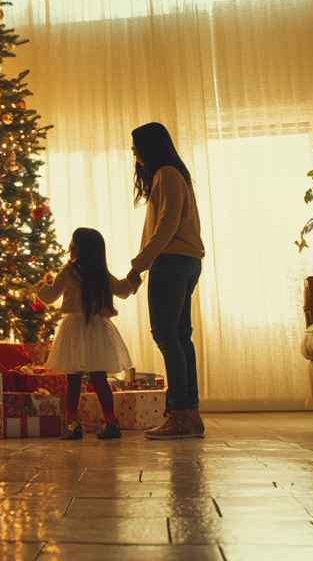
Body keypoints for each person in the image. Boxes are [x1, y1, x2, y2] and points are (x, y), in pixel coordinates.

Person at [125, 122, 206, 439]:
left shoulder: (167, 174)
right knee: (180, 337)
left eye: (135, 145)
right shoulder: (172, 174)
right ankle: (190, 415)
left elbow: (166, 226)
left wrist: (139, 266)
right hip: (185, 261)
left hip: (171, 261)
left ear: (149, 146)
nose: (133, 151)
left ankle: (180, 414)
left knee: (167, 337)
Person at [35, 227, 135, 441]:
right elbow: (123, 290)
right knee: (99, 377)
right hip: (98, 330)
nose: (70, 246)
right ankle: (111, 422)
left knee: (73, 378)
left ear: (81, 248)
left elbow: (50, 296)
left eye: (74, 242)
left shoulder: (69, 272)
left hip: (74, 329)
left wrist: (41, 284)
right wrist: (135, 277)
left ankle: (73, 424)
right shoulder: (101, 274)